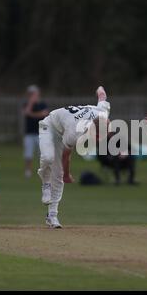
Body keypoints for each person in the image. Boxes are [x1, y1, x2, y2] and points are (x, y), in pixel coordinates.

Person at [38, 86, 111, 228]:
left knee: (57, 174)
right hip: (50, 126)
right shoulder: (76, 132)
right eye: (97, 136)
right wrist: (67, 174)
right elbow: (66, 154)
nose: (98, 140)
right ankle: (45, 182)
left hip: (63, 130)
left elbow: (102, 95)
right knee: (48, 158)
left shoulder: (103, 113)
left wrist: (99, 88)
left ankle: (52, 216)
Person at [22, 85, 49, 178]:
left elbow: (44, 114)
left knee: (42, 154)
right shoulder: (27, 104)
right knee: (28, 154)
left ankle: (43, 170)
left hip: (40, 133)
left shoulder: (42, 104)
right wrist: (31, 103)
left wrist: (32, 114)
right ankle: (28, 171)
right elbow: (26, 112)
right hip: (29, 133)